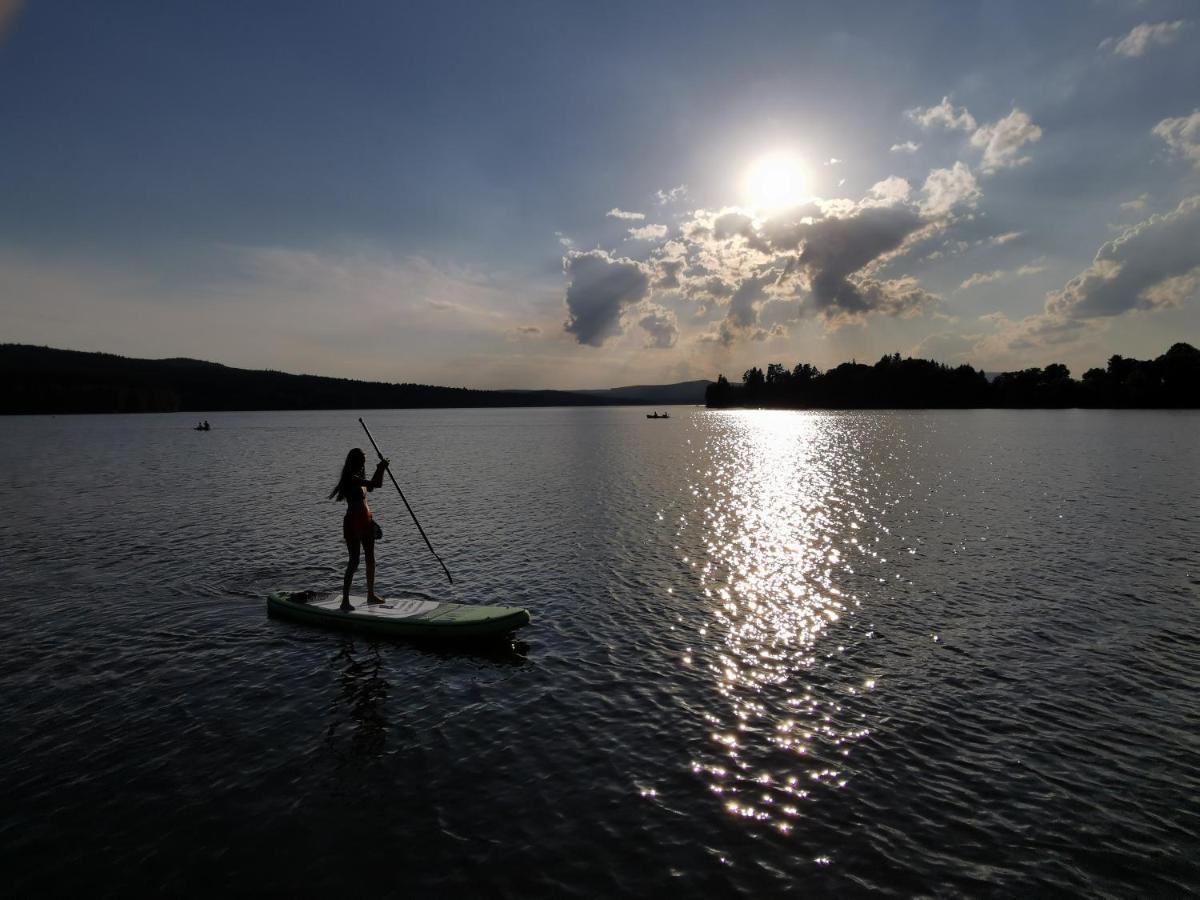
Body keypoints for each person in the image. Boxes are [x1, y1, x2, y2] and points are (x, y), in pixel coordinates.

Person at [328, 448, 389, 611]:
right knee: (354, 561)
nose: (363, 464)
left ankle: (370, 594)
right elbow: (375, 483)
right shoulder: (350, 478)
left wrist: (380, 469)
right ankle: (345, 601)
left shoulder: (360, 479)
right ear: (354, 462)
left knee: (371, 559)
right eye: (361, 461)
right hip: (353, 524)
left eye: (364, 461)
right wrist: (380, 468)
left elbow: (376, 485)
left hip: (366, 522)